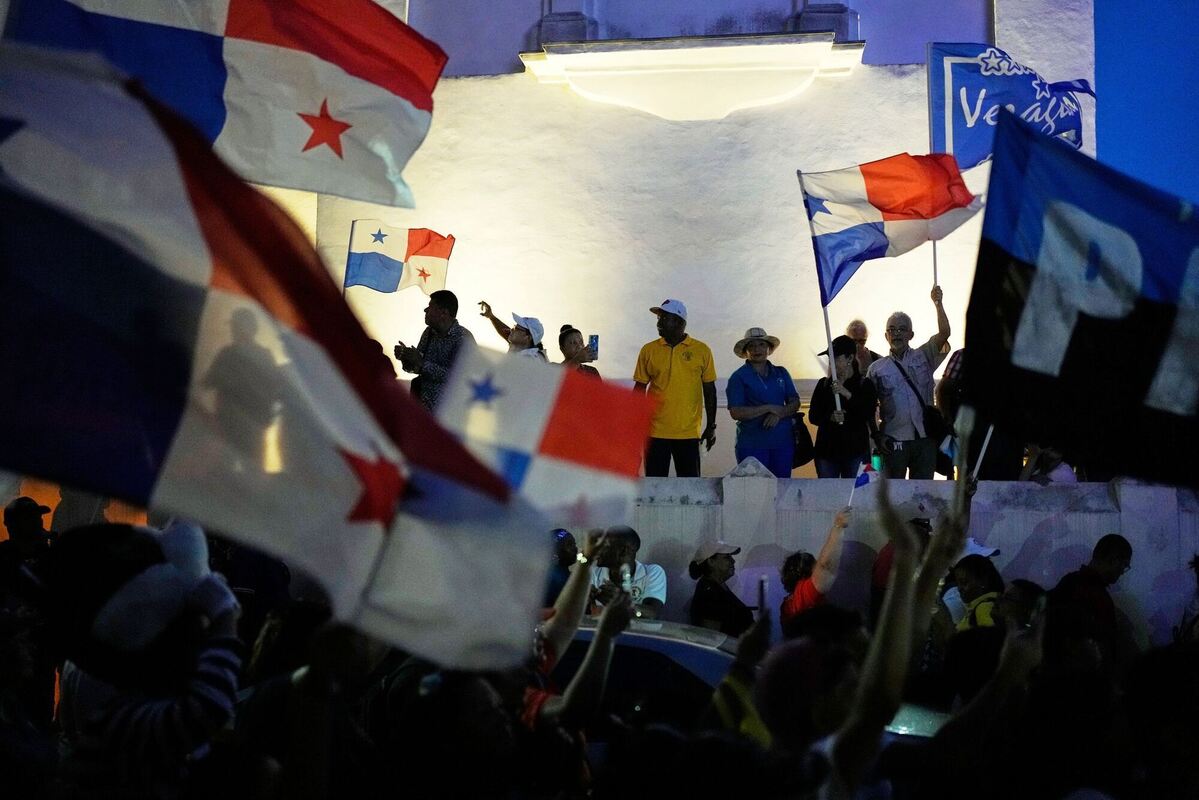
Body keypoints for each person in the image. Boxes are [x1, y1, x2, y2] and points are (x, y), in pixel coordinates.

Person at [866, 286, 952, 479]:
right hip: (894, 439)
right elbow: (868, 407)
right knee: (893, 494)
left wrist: (938, 303)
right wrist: (876, 436)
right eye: (892, 330)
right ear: (886, 335)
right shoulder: (876, 369)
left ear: (911, 334)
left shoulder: (924, 356)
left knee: (922, 496)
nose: (897, 334)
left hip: (925, 439)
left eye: (902, 329)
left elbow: (945, 332)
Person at [634, 299, 718, 478]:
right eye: (658, 318)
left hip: (688, 433)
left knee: (690, 486)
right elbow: (639, 388)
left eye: (664, 318)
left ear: (680, 322)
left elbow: (710, 390)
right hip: (655, 432)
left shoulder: (702, 350)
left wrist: (711, 426)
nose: (659, 323)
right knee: (655, 487)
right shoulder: (648, 350)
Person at [203, 307, 281, 469]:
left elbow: (208, 382)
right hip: (253, 425)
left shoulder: (228, 354)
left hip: (232, 425)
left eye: (236, 326)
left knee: (225, 472)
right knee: (252, 472)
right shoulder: (265, 356)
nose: (233, 330)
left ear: (247, 328)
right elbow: (276, 389)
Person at [725, 327, 800, 478]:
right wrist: (768, 408)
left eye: (761, 344)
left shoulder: (781, 372)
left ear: (768, 348)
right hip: (752, 445)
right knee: (754, 490)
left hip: (782, 443)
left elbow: (795, 401)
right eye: (751, 345)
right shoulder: (738, 377)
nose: (756, 349)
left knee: (781, 488)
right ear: (745, 351)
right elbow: (736, 412)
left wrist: (779, 414)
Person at [1048, 533, 1133, 664]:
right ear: (1114, 560)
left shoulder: (1070, 581)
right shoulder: (1097, 596)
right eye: (1124, 566)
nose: (1122, 571)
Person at [809, 335, 878, 478]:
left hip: (858, 453)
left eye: (836, 358)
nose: (831, 362)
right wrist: (830, 417)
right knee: (829, 497)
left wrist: (847, 394)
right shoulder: (823, 385)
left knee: (860, 495)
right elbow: (813, 416)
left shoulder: (865, 384)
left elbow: (868, 412)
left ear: (850, 358)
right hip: (827, 454)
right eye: (830, 358)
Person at [394, 289, 476, 410]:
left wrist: (422, 364)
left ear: (443, 313)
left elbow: (459, 377)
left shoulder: (464, 339)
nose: (425, 310)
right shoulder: (428, 332)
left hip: (447, 416)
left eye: (430, 306)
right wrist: (406, 358)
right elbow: (417, 368)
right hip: (422, 411)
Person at [779, 507, 851, 632]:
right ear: (805, 573)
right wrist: (838, 526)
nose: (817, 567)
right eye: (814, 565)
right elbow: (826, 566)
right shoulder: (802, 596)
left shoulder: (789, 603)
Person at [589, 525, 666, 619]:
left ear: (623, 551)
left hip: (639, 633)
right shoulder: (593, 574)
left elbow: (653, 613)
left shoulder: (652, 572)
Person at [688, 541, 754, 637]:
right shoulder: (709, 594)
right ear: (711, 562)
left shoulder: (717, 587)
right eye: (727, 557)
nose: (733, 561)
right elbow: (710, 636)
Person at [478, 301, 548, 361]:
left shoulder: (529, 359)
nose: (511, 329)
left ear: (528, 337)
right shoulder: (523, 349)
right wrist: (491, 316)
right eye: (514, 327)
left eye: (516, 329)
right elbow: (508, 334)